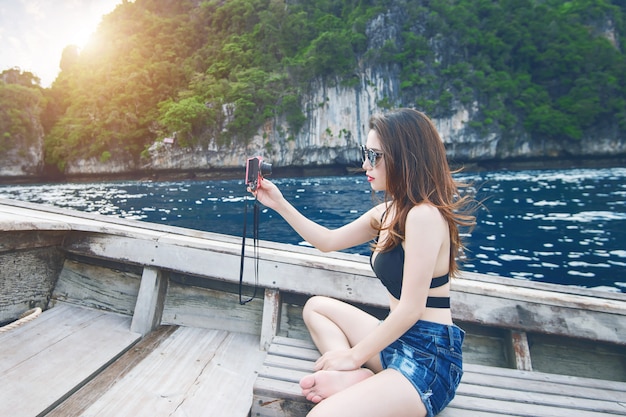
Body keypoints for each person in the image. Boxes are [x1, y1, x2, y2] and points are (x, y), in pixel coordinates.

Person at [249, 108, 476, 417]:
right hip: (397, 339)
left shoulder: (424, 216)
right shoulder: (389, 212)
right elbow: (327, 242)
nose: (365, 164)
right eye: (365, 153)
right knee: (316, 307)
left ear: (404, 157)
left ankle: (351, 370)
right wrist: (278, 203)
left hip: (428, 359)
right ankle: (353, 378)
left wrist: (354, 356)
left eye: (375, 156)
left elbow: (411, 309)